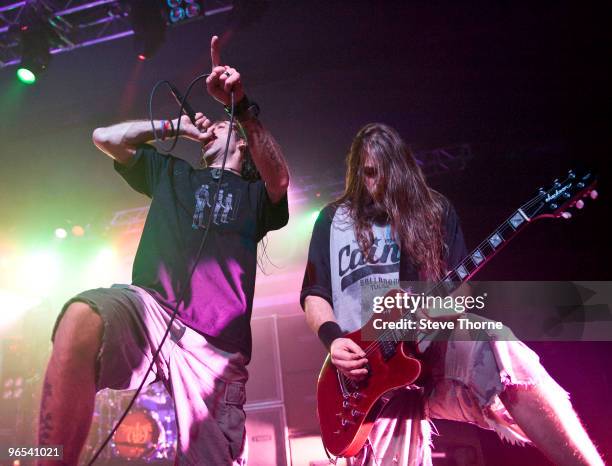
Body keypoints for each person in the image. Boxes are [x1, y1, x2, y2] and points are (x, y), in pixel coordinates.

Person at [37, 36, 289, 466]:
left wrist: (240, 106)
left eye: (224, 125)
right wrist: (175, 127)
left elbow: (279, 179)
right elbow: (104, 137)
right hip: (151, 310)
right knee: (81, 317)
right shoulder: (173, 173)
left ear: (243, 144)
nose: (214, 124)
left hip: (215, 348)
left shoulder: (253, 196)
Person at [300, 123, 603, 466]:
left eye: (388, 172)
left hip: (429, 351)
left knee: (500, 347)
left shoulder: (434, 210)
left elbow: (461, 294)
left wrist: (440, 310)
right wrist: (333, 340)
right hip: (367, 378)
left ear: (404, 169)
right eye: (369, 174)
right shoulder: (332, 219)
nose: (379, 184)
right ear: (356, 174)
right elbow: (315, 294)